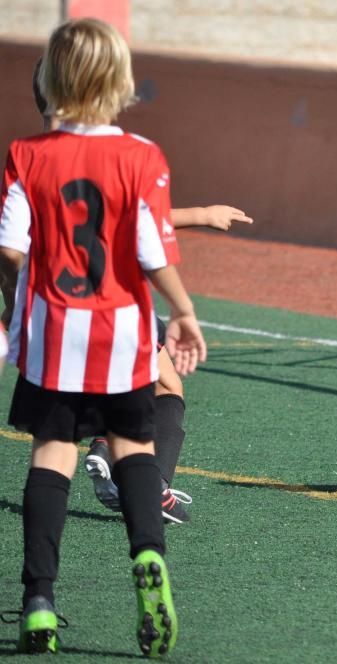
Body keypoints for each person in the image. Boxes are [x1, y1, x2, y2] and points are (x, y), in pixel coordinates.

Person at [0, 19, 206, 655]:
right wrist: (184, 310)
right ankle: (148, 555)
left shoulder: (25, 154)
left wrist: (19, 304)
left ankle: (39, 598)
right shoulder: (141, 155)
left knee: (51, 453)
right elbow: (151, 251)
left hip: (53, 333)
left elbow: (10, 249)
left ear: (50, 81)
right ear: (120, 83)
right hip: (120, 334)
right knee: (135, 448)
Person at [31, 55, 252, 523]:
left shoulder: (32, 156)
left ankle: (41, 583)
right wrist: (185, 303)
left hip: (57, 301)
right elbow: (142, 226)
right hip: (114, 296)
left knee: (79, 408)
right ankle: (151, 487)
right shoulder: (119, 150)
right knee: (166, 385)